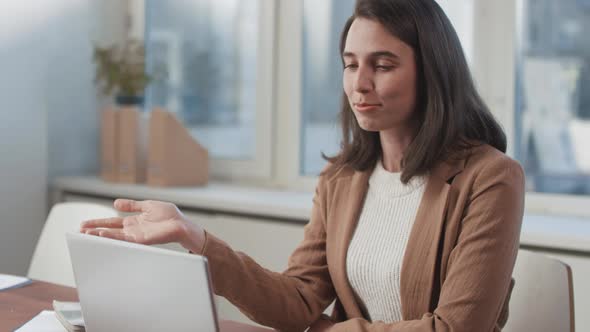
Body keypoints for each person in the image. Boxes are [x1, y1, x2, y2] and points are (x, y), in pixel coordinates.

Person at [81, 0, 525, 331]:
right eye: (350, 65)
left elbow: (454, 329)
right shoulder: (342, 179)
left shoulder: (489, 178)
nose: (360, 84)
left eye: (383, 65)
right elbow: (296, 301)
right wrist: (194, 237)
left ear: (432, 73)